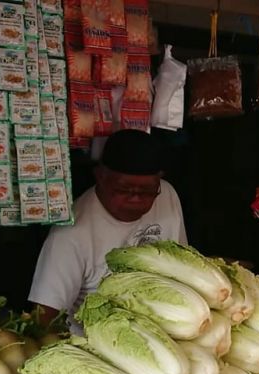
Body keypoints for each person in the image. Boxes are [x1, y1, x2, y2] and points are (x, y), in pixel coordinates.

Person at [28, 129, 187, 331]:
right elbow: (45, 317)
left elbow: (180, 267)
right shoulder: (70, 234)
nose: (136, 198)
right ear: (100, 177)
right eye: (124, 189)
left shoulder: (168, 195)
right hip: (100, 345)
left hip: (165, 329)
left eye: (147, 191)